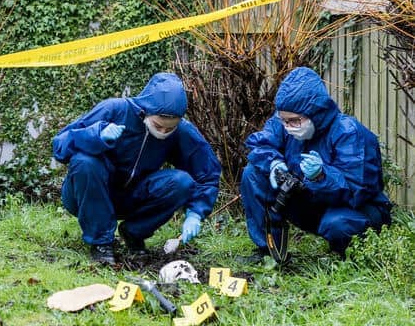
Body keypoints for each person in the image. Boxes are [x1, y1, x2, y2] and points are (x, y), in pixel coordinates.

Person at [52, 73, 222, 265]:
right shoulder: (114, 109)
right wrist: (96, 135)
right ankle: (101, 243)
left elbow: (207, 172)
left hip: (133, 198)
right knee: (85, 161)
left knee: (182, 182)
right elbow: (60, 146)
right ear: (145, 110)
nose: (163, 132)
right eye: (158, 125)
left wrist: (196, 213)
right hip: (88, 195)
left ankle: (134, 233)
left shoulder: (182, 131)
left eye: (170, 129)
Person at [240, 67, 392, 262]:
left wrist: (321, 176)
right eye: (284, 120)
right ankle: (269, 252)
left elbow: (358, 191)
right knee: (253, 173)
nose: (288, 127)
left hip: (355, 209)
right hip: (312, 202)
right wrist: (274, 163)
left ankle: (351, 258)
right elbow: (262, 144)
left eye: (294, 121)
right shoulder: (285, 121)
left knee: (337, 224)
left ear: (315, 112)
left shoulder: (349, 133)